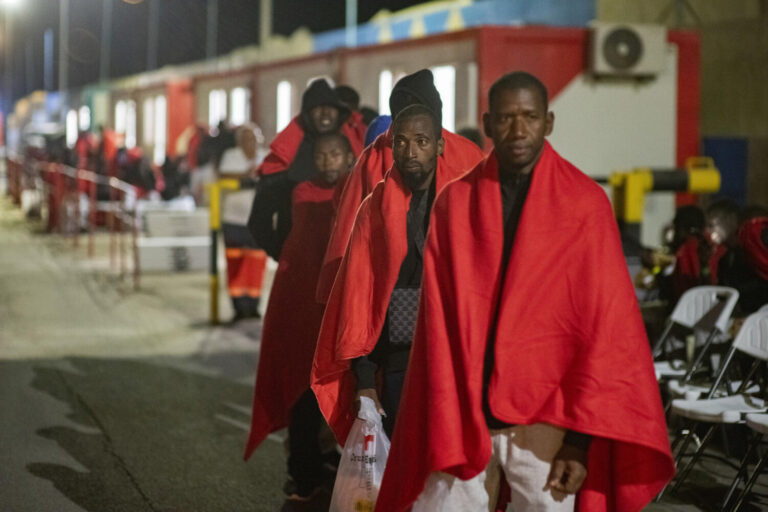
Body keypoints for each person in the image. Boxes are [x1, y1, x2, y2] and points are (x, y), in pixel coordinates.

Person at [375, 72, 674, 512]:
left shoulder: (585, 206)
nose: (518, 130)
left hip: (547, 419)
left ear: (548, 122)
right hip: (464, 411)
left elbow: (604, 334)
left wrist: (580, 442)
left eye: (530, 117)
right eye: (507, 118)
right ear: (488, 123)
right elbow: (437, 330)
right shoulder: (455, 205)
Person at [311, 104, 467, 443]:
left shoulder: (461, 204)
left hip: (454, 359)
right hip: (398, 361)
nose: (410, 151)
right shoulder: (374, 209)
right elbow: (360, 296)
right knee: (397, 458)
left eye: (422, 141)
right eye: (401, 141)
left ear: (440, 145)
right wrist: (364, 379)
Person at [244, 132, 355, 501]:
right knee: (303, 386)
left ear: (349, 156)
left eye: (336, 154)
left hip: (337, 303)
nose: (328, 161)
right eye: (322, 155)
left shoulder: (358, 192)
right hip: (301, 301)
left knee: (338, 386)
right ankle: (303, 471)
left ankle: (325, 460)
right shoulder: (302, 191)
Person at [315, 69, 486, 303]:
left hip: (392, 293)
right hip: (454, 287)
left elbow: (347, 229)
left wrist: (333, 293)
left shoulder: (372, 157)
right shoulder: (470, 154)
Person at [248, 79, 362, 259]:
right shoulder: (285, 158)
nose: (325, 113)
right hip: (301, 263)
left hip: (344, 262)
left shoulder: (354, 150)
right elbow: (259, 221)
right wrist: (285, 255)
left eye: (330, 108)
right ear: (307, 114)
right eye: (318, 108)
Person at [219, 125, 268, 321]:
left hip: (258, 220)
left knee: (256, 263)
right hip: (233, 220)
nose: (250, 141)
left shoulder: (266, 156)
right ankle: (238, 307)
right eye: (245, 138)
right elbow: (223, 175)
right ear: (239, 141)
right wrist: (247, 174)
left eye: (253, 137)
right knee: (236, 263)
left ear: (260, 139)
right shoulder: (231, 156)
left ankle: (254, 305)